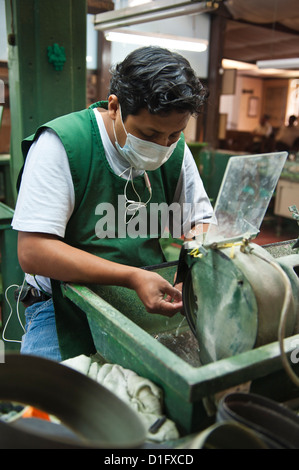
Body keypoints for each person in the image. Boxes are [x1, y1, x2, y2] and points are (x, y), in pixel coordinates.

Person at [12, 46, 213, 362]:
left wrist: (190, 269)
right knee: (49, 400)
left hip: (146, 295)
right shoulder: (64, 145)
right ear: (115, 106)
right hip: (64, 305)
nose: (162, 146)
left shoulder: (175, 152)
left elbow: (201, 225)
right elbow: (34, 251)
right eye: (149, 133)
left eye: (174, 135)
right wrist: (130, 277)